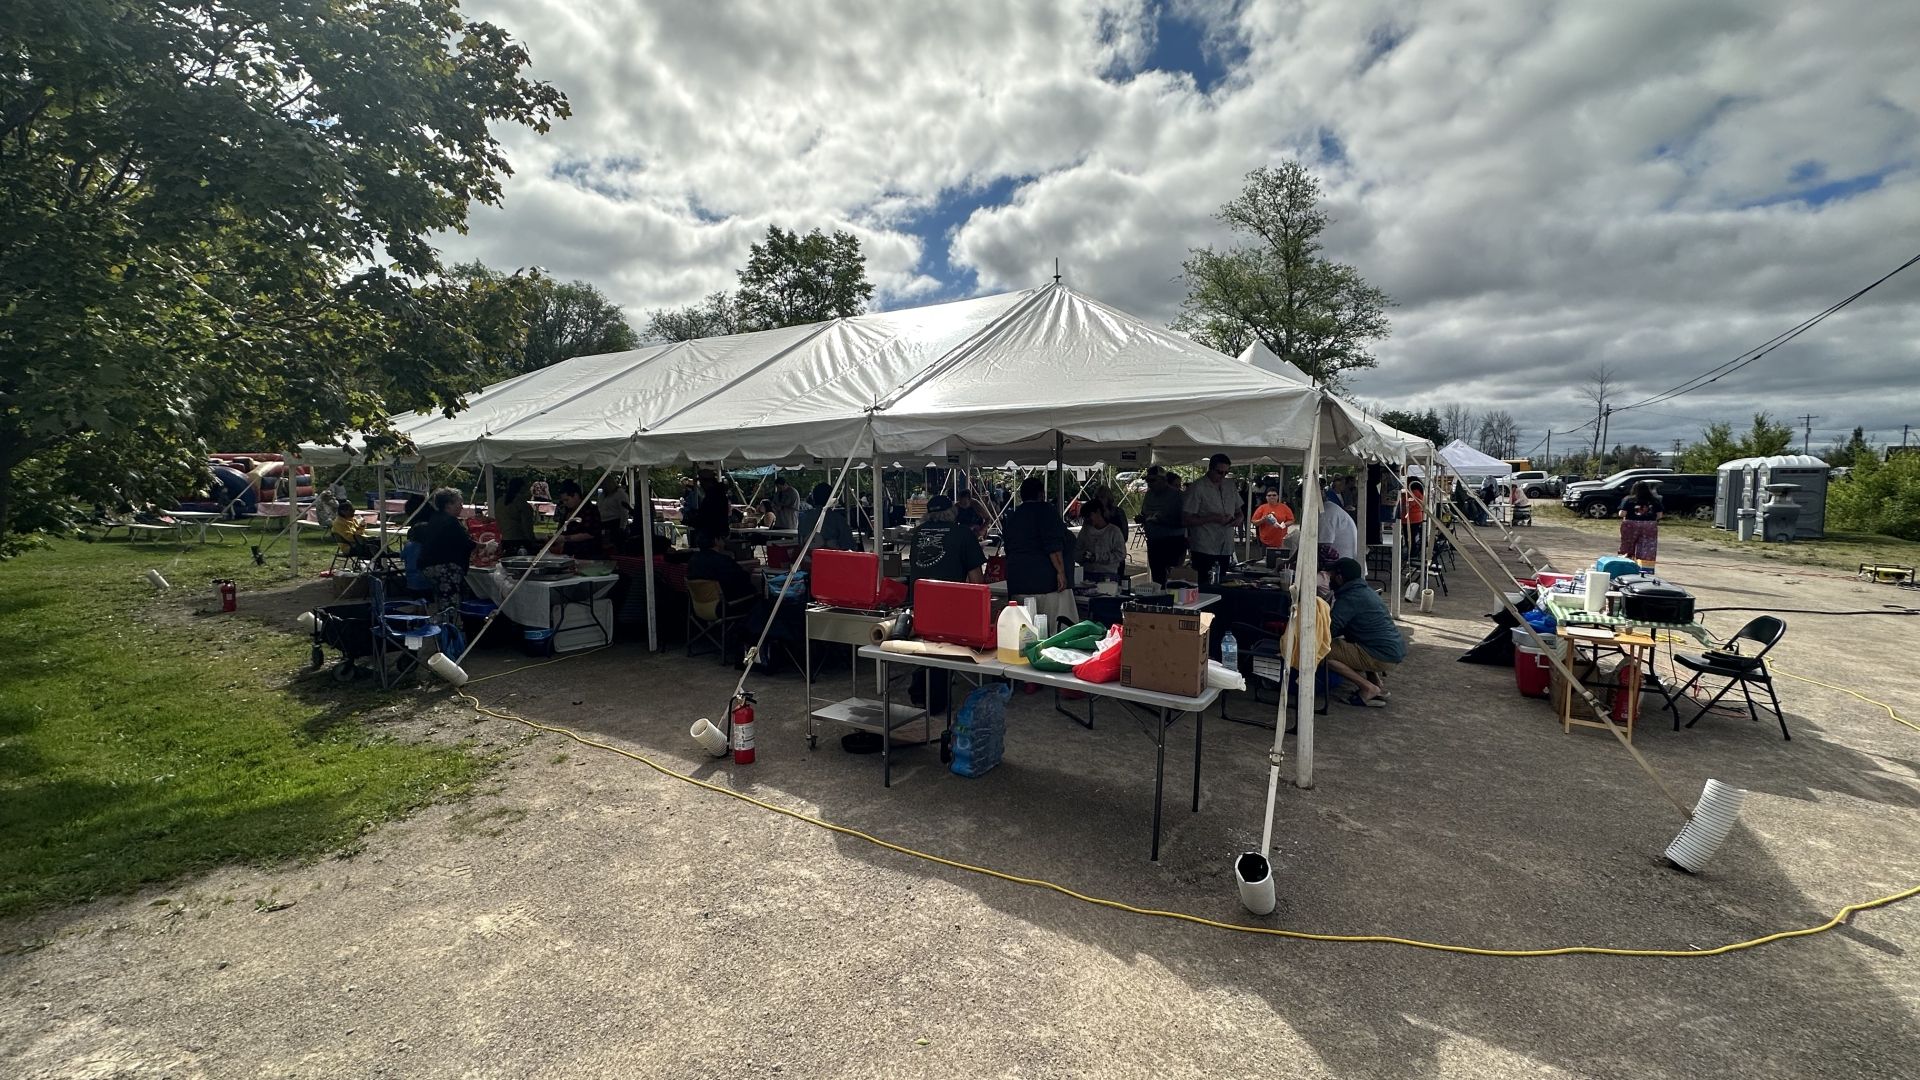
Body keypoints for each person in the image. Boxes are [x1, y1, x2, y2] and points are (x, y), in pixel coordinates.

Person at [1324, 557, 1404, 707]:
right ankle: (1376, 683)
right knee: (1348, 641)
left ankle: (1367, 688)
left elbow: (1330, 630)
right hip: (1392, 649)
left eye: (1332, 575)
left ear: (1340, 578)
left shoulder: (1349, 598)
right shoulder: (1365, 591)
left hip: (1381, 654)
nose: (1330, 578)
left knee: (1321, 652)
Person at [416, 488, 476, 630]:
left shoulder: (435, 518)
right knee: (450, 603)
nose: (461, 506)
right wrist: (483, 546)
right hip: (445, 567)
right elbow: (465, 543)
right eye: (459, 503)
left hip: (429, 566)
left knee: (441, 599)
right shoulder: (451, 522)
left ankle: (443, 628)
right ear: (448, 505)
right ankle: (450, 632)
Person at [1002, 474, 1068, 601]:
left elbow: (1008, 547)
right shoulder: (1047, 511)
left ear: (1021, 495)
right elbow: (1054, 546)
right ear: (1041, 494)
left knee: (1021, 617)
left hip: (1016, 576)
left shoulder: (1013, 516)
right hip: (1042, 578)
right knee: (1043, 618)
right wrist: (1061, 572)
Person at [1139, 466, 1187, 585]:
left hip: (1173, 542)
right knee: (1157, 579)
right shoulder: (1149, 494)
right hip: (1154, 542)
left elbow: (1184, 521)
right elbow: (1144, 512)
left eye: (1152, 480)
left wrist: (1161, 520)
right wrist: (1144, 518)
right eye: (1147, 480)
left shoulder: (1177, 496)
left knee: (1172, 579)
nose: (1149, 484)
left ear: (1163, 480)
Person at [688, 530, 756, 605]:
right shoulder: (723, 560)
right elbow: (740, 580)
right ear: (716, 540)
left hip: (699, 608)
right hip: (725, 606)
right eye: (721, 539)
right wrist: (745, 572)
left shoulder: (693, 560)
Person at [1618, 480, 1663, 570]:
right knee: (1648, 548)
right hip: (1649, 525)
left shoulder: (1628, 499)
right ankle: (1646, 569)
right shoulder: (1654, 500)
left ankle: (1625, 568)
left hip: (1631, 524)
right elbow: (1659, 515)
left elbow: (1622, 514)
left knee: (1627, 547)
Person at [1076, 503, 1127, 582]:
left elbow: (1121, 554)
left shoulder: (1114, 531)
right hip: (1087, 575)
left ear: (1098, 512)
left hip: (1108, 575)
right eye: (1085, 517)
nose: (1087, 519)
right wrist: (1083, 556)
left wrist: (1097, 557)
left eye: (1089, 515)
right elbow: (1076, 550)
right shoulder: (1085, 531)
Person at [798, 482, 856, 551]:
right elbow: (849, 545)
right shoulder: (838, 520)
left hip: (807, 559)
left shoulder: (803, 517)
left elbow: (800, 541)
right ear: (831, 498)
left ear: (813, 498)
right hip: (832, 560)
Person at [554, 481, 604, 558]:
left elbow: (591, 533)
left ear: (576, 495)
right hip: (568, 553)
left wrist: (566, 538)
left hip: (587, 553)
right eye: (563, 501)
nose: (564, 503)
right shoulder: (567, 511)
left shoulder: (590, 510)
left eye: (567, 500)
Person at [1251, 486, 1294, 568]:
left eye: (1274, 495)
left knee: (1280, 564)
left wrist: (1284, 525)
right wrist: (1263, 520)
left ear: (1277, 496)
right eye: (1269, 495)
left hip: (1281, 541)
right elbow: (1254, 522)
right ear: (1266, 497)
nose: (1272, 497)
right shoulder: (1262, 508)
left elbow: (1291, 520)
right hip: (1266, 541)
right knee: (1266, 563)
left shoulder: (1284, 507)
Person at [495, 477, 537, 556]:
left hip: (505, 539)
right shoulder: (522, 503)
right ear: (522, 488)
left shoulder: (500, 501)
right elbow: (527, 526)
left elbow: (498, 520)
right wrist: (533, 542)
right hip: (520, 541)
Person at [1318, 485, 1360, 561]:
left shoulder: (1326, 513)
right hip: (1343, 559)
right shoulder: (1329, 508)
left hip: (1342, 563)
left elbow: (1323, 544)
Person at [1401, 479, 1427, 557]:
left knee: (1409, 537)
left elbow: (1409, 504)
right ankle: (1412, 552)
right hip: (1415, 518)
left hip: (1411, 519)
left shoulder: (1414, 493)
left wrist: (1402, 506)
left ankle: (1412, 553)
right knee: (1412, 537)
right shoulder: (1417, 492)